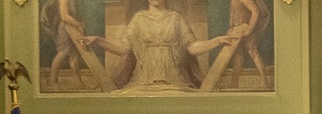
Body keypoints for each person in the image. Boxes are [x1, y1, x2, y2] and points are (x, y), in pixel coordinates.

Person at [80, 0, 236, 92]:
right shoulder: (139, 19)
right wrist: (98, 40)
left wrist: (217, 41)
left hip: (175, 81)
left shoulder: (176, 18)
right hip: (143, 81)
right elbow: (123, 48)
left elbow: (192, 47)